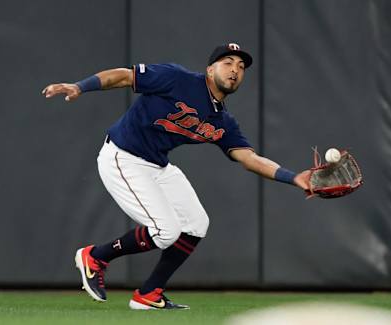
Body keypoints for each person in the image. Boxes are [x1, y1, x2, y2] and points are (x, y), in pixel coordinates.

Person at [42, 43, 310, 310]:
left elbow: (250, 159)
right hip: (122, 157)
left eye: (241, 67)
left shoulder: (223, 122)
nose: (235, 70)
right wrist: (81, 86)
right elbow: (125, 75)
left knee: (196, 223)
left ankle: (149, 293)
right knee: (166, 231)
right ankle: (96, 256)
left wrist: (294, 177)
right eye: (227, 62)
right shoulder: (177, 79)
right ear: (210, 69)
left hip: (157, 165)